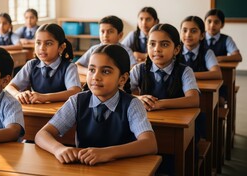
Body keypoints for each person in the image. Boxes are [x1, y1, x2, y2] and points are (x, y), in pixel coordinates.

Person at [35, 44, 157, 166]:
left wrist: (107, 153)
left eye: (105, 71)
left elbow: (149, 144)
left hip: (120, 169)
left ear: (123, 79)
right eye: (92, 70)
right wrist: (58, 149)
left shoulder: (132, 105)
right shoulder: (77, 101)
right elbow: (42, 135)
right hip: (84, 169)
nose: (96, 77)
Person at [130, 23, 200, 175]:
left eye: (164, 44)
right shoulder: (139, 69)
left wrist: (159, 104)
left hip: (176, 128)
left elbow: (193, 99)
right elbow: (118, 93)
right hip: (143, 126)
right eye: (152, 44)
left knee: (172, 165)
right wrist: (138, 98)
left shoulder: (184, 71)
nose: (157, 49)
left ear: (176, 49)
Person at [6, 23, 82, 104]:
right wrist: (18, 94)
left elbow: (75, 92)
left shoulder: (69, 67)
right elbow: (9, 87)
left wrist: (45, 97)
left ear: (61, 47)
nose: (42, 48)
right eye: (38, 43)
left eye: (48, 43)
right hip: (36, 111)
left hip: (62, 113)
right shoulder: (31, 65)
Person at [180, 16, 222, 80]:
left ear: (202, 35)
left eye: (193, 31)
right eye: (184, 30)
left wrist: (188, 75)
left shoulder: (207, 52)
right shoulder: (174, 51)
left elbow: (217, 74)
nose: (188, 35)